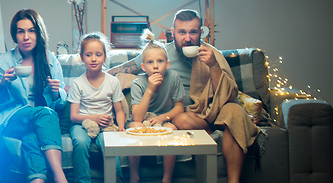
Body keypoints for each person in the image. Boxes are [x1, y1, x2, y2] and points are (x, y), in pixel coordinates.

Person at [109, 9, 261, 183]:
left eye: (193, 32)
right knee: (181, 120)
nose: (187, 38)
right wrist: (93, 76)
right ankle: (209, 134)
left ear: (200, 33)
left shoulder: (211, 54)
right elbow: (126, 68)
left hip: (214, 110)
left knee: (235, 111)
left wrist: (213, 66)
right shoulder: (161, 54)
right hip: (189, 116)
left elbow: (228, 94)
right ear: (173, 33)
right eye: (182, 32)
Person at [0, 9, 68, 183]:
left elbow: (60, 105)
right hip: (11, 118)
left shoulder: (50, 61)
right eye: (20, 31)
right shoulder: (2, 62)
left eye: (31, 30)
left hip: (38, 122)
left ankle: (37, 180)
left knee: (31, 138)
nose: (26, 37)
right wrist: (3, 84)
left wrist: (56, 93)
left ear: (39, 33)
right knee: (44, 113)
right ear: (15, 35)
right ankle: (61, 178)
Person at [126, 29, 185, 183]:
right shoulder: (138, 83)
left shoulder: (173, 77)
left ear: (167, 64)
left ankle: (166, 179)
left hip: (163, 120)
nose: (156, 66)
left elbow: (179, 108)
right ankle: (134, 176)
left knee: (172, 129)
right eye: (150, 62)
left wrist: (161, 118)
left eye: (160, 61)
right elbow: (136, 116)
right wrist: (150, 89)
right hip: (142, 120)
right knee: (133, 126)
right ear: (143, 67)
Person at [67, 32, 125, 183]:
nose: (93, 59)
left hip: (106, 125)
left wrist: (122, 127)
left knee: (109, 143)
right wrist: (93, 118)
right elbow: (73, 116)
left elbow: (119, 110)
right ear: (82, 57)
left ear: (105, 57)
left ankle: (115, 178)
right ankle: (82, 180)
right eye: (88, 55)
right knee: (80, 142)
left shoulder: (113, 82)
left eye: (98, 54)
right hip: (81, 124)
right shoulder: (77, 83)